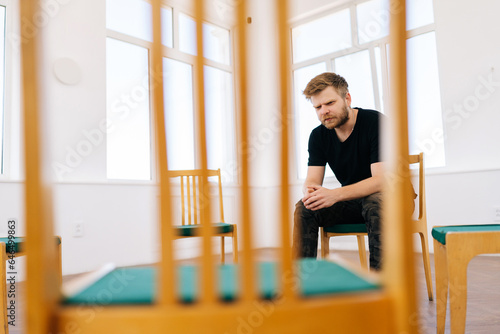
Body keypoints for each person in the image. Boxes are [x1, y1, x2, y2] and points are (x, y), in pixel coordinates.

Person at [292, 72, 385, 270]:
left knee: (374, 202)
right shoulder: (318, 136)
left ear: (347, 98)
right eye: (317, 107)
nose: (323, 111)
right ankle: (298, 285)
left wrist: (335, 195)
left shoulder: (375, 122)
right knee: (305, 207)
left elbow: (381, 181)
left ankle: (381, 288)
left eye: (330, 103)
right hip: (353, 202)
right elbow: (312, 181)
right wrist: (311, 193)